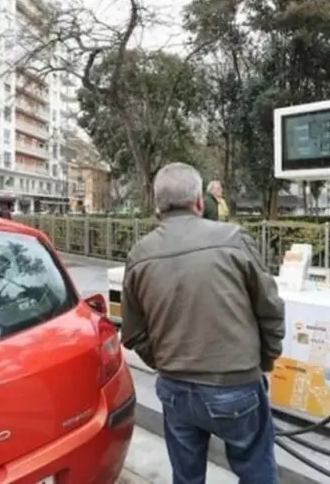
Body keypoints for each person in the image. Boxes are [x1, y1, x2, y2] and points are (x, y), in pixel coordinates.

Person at [121, 162, 284, 484]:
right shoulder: (234, 239)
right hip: (236, 384)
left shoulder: (139, 255)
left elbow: (134, 332)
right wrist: (265, 359)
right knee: (257, 472)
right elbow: (270, 309)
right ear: (199, 201)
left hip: (175, 389)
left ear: (158, 206)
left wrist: (166, 362)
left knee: (187, 476)